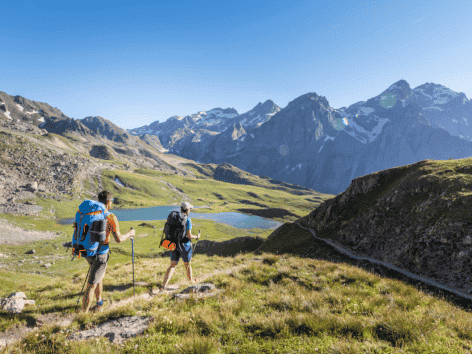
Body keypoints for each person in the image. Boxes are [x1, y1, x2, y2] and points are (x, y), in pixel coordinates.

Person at [80, 191, 135, 313]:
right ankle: (83, 314)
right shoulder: (110, 216)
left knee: (99, 277)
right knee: (91, 284)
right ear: (109, 202)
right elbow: (119, 239)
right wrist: (130, 234)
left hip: (88, 251)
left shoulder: (90, 213)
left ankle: (99, 302)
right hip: (101, 254)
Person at [161, 201, 201, 290]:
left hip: (174, 244)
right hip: (185, 245)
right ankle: (190, 282)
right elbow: (189, 236)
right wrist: (197, 236)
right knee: (187, 265)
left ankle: (163, 286)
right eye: (190, 209)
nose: (190, 210)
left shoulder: (174, 217)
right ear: (187, 210)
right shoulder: (188, 220)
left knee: (172, 265)